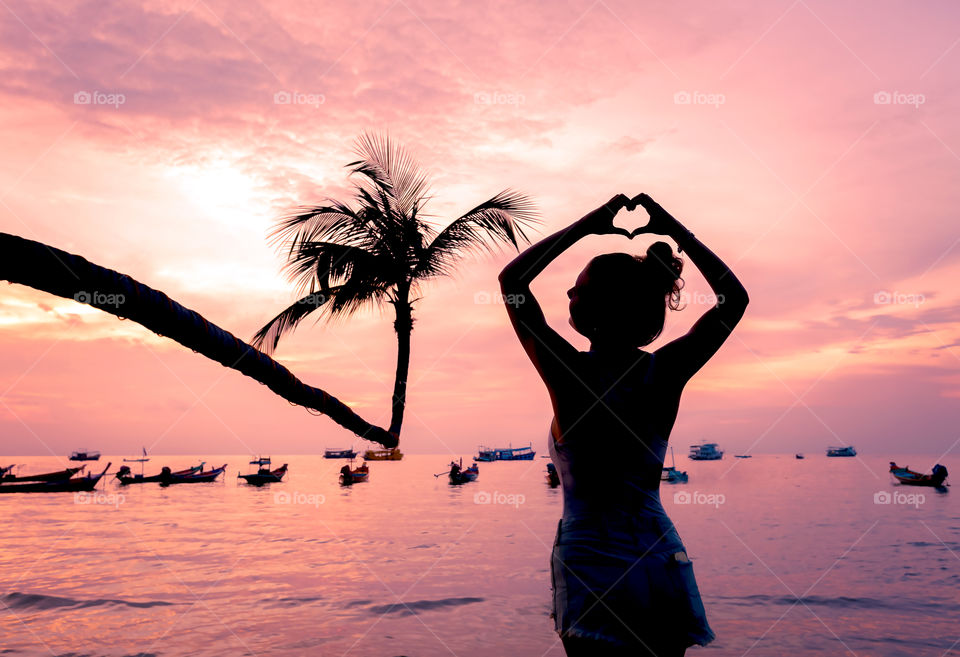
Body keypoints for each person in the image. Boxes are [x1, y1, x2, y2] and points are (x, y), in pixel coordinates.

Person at [499, 193, 748, 656]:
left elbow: (513, 280)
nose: (570, 294)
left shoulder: (567, 372)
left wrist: (587, 225)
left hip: (593, 560)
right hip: (658, 552)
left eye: (579, 287)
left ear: (596, 307)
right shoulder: (663, 371)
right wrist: (675, 229)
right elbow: (733, 299)